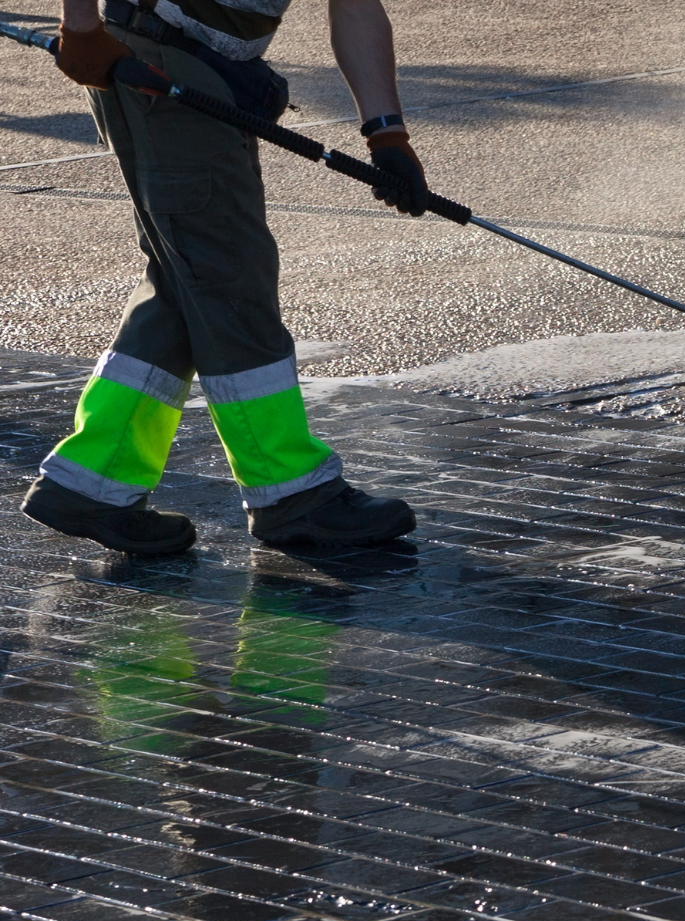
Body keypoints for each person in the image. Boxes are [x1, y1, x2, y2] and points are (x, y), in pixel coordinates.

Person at [21, 0, 427, 555]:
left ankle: (93, 480)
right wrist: (82, 28)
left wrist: (387, 136)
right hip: (159, 67)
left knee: (186, 276)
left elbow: (355, 7)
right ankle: (290, 492)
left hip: (188, 67)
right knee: (229, 280)